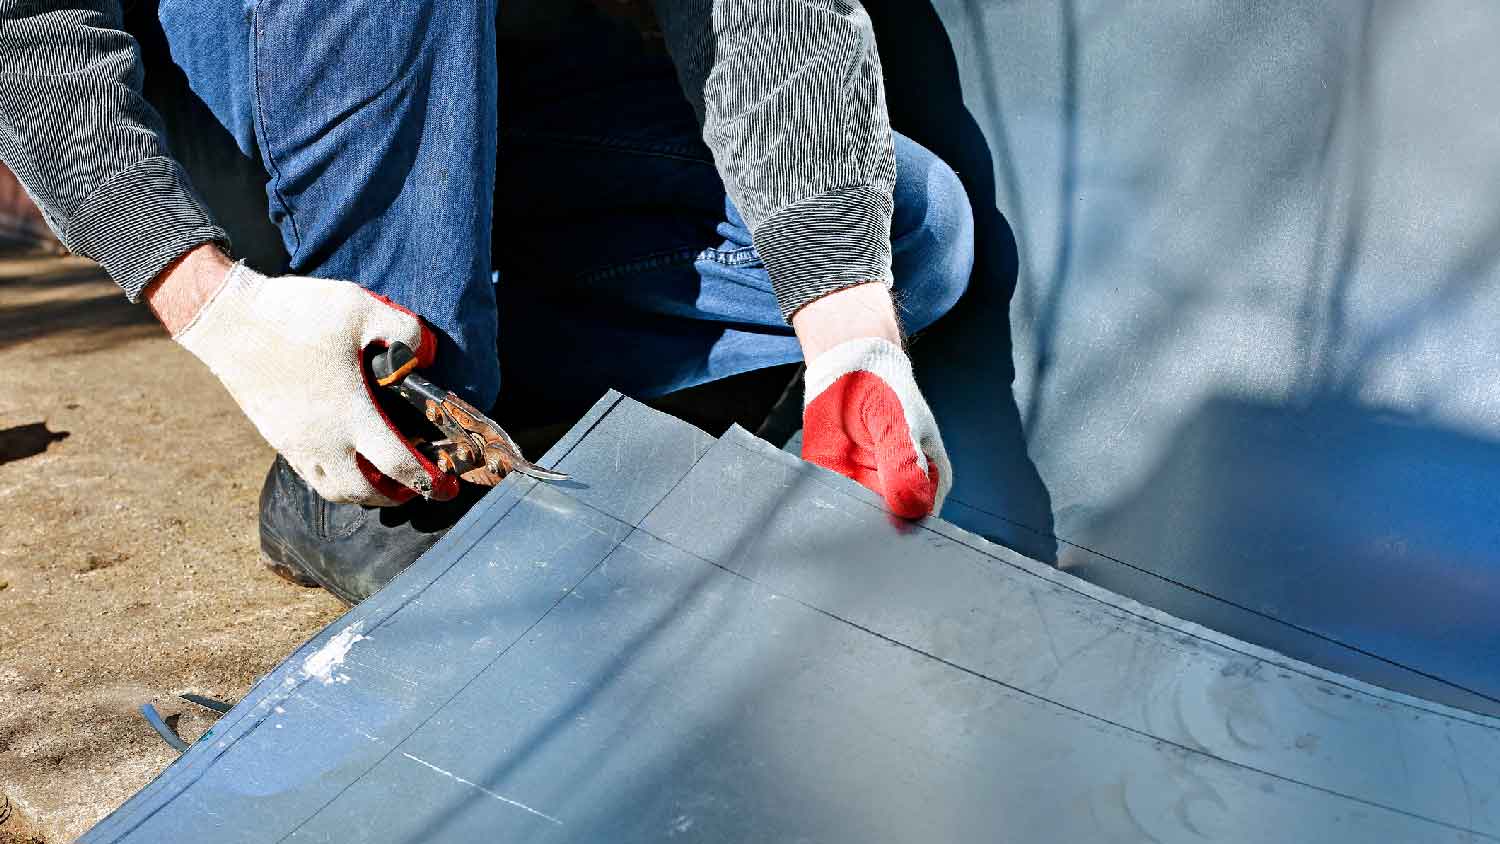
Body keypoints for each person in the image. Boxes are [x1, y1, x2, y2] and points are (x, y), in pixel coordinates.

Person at [0, 0, 974, 603]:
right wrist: (212, 303)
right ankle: (387, 440)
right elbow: (25, 32)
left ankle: (432, 341)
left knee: (908, 232)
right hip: (231, 100)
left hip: (495, 83)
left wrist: (849, 332)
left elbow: (759, 15)